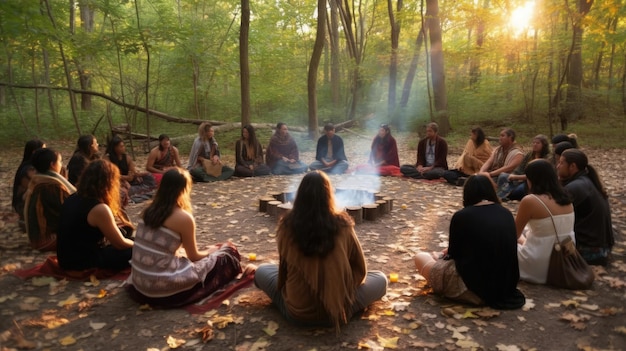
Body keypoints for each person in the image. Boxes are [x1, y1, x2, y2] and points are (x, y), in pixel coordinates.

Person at [254, 171, 387, 330]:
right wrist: (340, 287)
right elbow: (360, 270)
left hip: (296, 312)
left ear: (300, 195)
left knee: (261, 270)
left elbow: (283, 272)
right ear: (329, 195)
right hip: (338, 310)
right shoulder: (343, 225)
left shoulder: (286, 226)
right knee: (381, 279)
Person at [126, 168, 248, 307]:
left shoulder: (149, 210)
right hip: (161, 290)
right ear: (184, 190)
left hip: (140, 284)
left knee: (212, 252)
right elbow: (194, 256)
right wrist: (212, 250)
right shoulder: (183, 218)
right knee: (229, 252)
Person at [414, 175, 525, 309]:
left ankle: (469, 296)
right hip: (505, 286)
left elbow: (454, 254)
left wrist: (440, 257)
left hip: (473, 287)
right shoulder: (506, 213)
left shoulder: (462, 216)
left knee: (420, 257)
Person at [57, 159, 134, 271]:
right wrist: (139, 246)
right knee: (136, 250)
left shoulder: (73, 197)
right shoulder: (99, 209)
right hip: (80, 262)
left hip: (66, 259)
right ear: (108, 183)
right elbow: (120, 244)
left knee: (129, 236)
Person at [515, 159, 575, 284]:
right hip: (564, 260)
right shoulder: (566, 197)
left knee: (497, 242)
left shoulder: (530, 200)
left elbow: (513, 235)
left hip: (540, 264)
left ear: (531, 179)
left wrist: (522, 239)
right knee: (528, 230)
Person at [557, 149, 614, 266]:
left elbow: (555, 215)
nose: (558, 166)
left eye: (561, 163)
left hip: (590, 251)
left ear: (572, 166)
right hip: (602, 248)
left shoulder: (576, 187)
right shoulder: (586, 181)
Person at [24, 148, 76, 251]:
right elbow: (68, 211)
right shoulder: (49, 185)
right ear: (52, 164)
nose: (62, 164)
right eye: (60, 161)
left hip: (38, 237)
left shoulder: (39, 179)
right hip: (46, 240)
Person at [496, 134, 549, 201]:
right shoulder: (530, 155)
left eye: (538, 143)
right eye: (534, 143)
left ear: (544, 145)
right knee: (503, 176)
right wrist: (514, 175)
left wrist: (517, 177)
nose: (535, 144)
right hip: (521, 178)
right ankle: (500, 195)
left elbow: (536, 176)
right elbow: (520, 167)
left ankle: (507, 194)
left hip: (534, 182)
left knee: (517, 192)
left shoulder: (547, 158)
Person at [105, 135, 157, 201]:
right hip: (116, 181)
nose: (124, 148)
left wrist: (139, 174)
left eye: (123, 146)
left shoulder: (127, 157)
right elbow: (109, 175)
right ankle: (132, 192)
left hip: (129, 181)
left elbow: (132, 173)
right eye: (121, 146)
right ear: (115, 148)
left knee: (149, 177)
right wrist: (124, 178)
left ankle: (135, 191)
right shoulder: (107, 159)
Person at [12, 139, 45, 231]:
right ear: (35, 152)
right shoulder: (29, 169)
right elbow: (41, 187)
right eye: (43, 150)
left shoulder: (31, 165)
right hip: (23, 206)